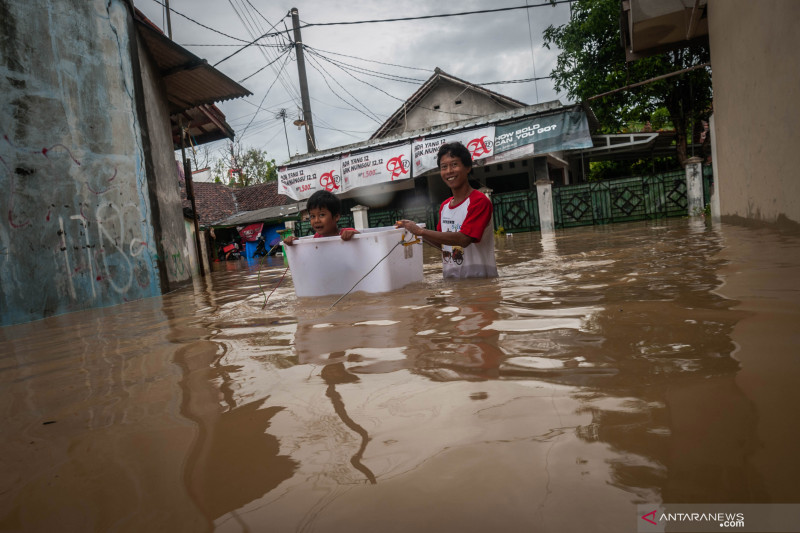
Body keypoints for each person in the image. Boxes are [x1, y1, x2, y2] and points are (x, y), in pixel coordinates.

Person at [396, 142, 498, 278]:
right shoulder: (445, 206)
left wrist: (420, 231)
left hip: (480, 283)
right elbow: (442, 244)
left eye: (454, 164)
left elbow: (464, 239)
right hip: (453, 285)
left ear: (467, 167)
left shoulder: (479, 201)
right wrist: (414, 231)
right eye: (444, 167)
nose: (449, 171)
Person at [283, 190, 358, 245]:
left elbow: (365, 241)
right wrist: (295, 243)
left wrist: (354, 235)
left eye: (322, 215)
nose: (316, 220)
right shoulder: (317, 238)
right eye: (312, 216)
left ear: (336, 217)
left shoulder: (346, 233)